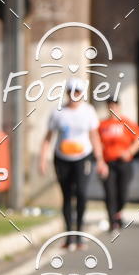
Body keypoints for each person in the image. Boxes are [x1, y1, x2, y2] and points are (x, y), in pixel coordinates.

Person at [39, 78, 108, 250]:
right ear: (67, 92)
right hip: (62, 158)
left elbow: (95, 137)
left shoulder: (89, 111)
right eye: (71, 91)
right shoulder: (58, 112)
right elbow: (48, 138)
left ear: (82, 94)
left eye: (77, 92)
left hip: (83, 157)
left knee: (82, 194)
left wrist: (100, 160)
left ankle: (79, 235)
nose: (74, 95)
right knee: (67, 196)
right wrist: (42, 159)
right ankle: (69, 235)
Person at [98, 98, 139, 231]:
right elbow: (97, 142)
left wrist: (129, 152)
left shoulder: (126, 123)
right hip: (108, 163)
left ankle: (118, 214)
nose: (113, 108)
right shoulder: (102, 124)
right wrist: (100, 160)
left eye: (115, 105)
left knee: (122, 192)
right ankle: (113, 222)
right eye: (110, 105)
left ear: (119, 107)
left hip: (124, 163)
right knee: (109, 193)